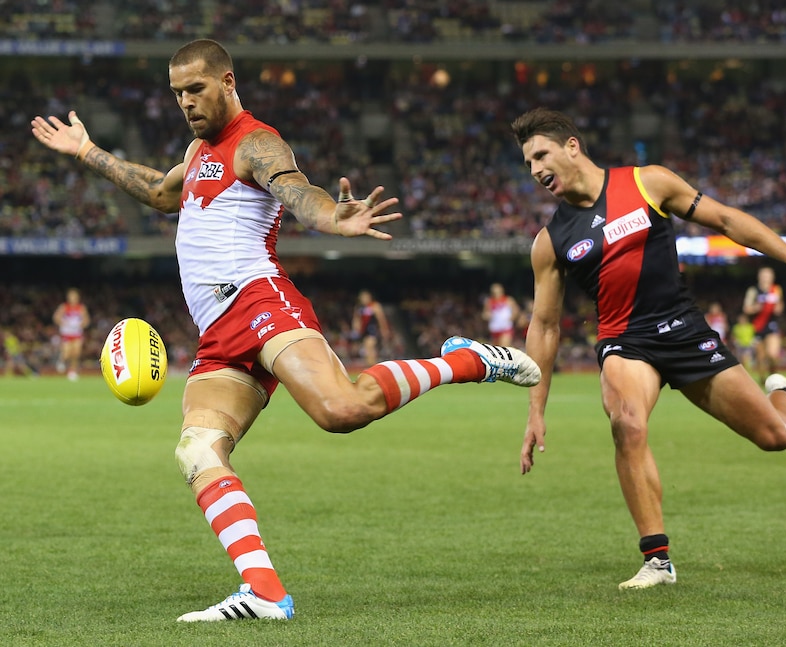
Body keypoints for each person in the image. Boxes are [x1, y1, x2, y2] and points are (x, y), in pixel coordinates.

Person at [31, 39, 541, 623]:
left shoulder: (256, 141)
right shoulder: (198, 153)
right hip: (218, 334)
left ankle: (467, 360)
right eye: (176, 94)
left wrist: (332, 217)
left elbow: (297, 192)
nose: (186, 103)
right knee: (198, 450)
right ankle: (265, 594)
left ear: (227, 81)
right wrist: (87, 150)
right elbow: (155, 191)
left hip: (259, 302)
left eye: (195, 89)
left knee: (341, 411)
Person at [511, 107, 786, 590]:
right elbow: (543, 326)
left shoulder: (648, 182)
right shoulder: (550, 241)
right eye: (527, 164)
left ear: (571, 146)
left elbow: (726, 220)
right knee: (626, 422)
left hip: (685, 332)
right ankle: (658, 559)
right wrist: (535, 410)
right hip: (626, 344)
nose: (536, 169)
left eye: (540, 154)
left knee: (776, 437)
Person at [742, 266, 784, 384]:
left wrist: (777, 308)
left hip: (771, 324)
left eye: (768, 276)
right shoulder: (753, 291)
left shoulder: (776, 290)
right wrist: (756, 307)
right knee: (760, 357)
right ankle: (763, 381)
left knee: (773, 354)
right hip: (757, 326)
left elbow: (780, 306)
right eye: (764, 275)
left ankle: (773, 377)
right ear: (759, 277)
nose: (766, 278)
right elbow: (746, 308)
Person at [52, 287, 90, 381]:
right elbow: (56, 317)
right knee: (67, 353)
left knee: (76, 353)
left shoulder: (81, 308)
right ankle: (61, 360)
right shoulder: (64, 307)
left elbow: (86, 320)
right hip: (67, 333)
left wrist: (82, 324)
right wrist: (63, 322)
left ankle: (72, 371)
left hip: (77, 333)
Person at [351, 289, 390, 367]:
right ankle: (369, 365)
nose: (364, 299)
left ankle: (373, 365)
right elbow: (356, 319)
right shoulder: (359, 307)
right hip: (364, 330)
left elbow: (381, 318)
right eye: (362, 297)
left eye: (365, 297)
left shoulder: (375, 306)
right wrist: (355, 328)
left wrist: (384, 329)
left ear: (370, 297)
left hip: (373, 329)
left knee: (370, 345)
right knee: (366, 348)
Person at [482, 283, 521, 347]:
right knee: (496, 349)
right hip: (495, 328)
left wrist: (512, 317)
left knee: (504, 347)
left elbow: (516, 310)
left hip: (505, 327)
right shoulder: (489, 302)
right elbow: (484, 314)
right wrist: (488, 316)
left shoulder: (508, 300)